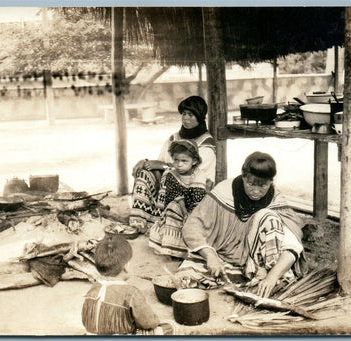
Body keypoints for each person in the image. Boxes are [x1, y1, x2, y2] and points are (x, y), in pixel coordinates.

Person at [180, 151, 307, 298]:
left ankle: (264, 277)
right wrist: (210, 256)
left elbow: (292, 243)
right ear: (243, 176)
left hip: (258, 264)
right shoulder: (224, 191)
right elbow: (193, 225)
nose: (256, 190)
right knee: (187, 276)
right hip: (223, 256)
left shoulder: (276, 200)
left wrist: (272, 277)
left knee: (268, 216)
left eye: (263, 185)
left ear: (271, 182)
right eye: (250, 183)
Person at [129, 95, 216, 233]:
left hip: (192, 189)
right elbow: (159, 162)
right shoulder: (174, 137)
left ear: (200, 117)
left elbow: (194, 173)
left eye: (191, 115)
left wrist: (164, 166)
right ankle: (140, 220)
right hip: (168, 184)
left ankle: (161, 221)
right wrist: (146, 163)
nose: (186, 118)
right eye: (184, 114)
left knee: (169, 175)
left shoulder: (206, 144)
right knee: (144, 172)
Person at [81, 235, 176, 335]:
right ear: (126, 266)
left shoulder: (92, 289)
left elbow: (85, 321)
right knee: (169, 328)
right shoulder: (131, 293)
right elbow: (149, 323)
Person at [148, 139, 208, 258]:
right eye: (176, 160)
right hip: (178, 207)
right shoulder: (171, 175)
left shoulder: (199, 175)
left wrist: (191, 215)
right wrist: (185, 213)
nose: (179, 164)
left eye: (184, 161)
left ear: (194, 161)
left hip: (196, 207)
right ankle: (174, 248)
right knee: (173, 208)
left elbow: (198, 197)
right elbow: (175, 197)